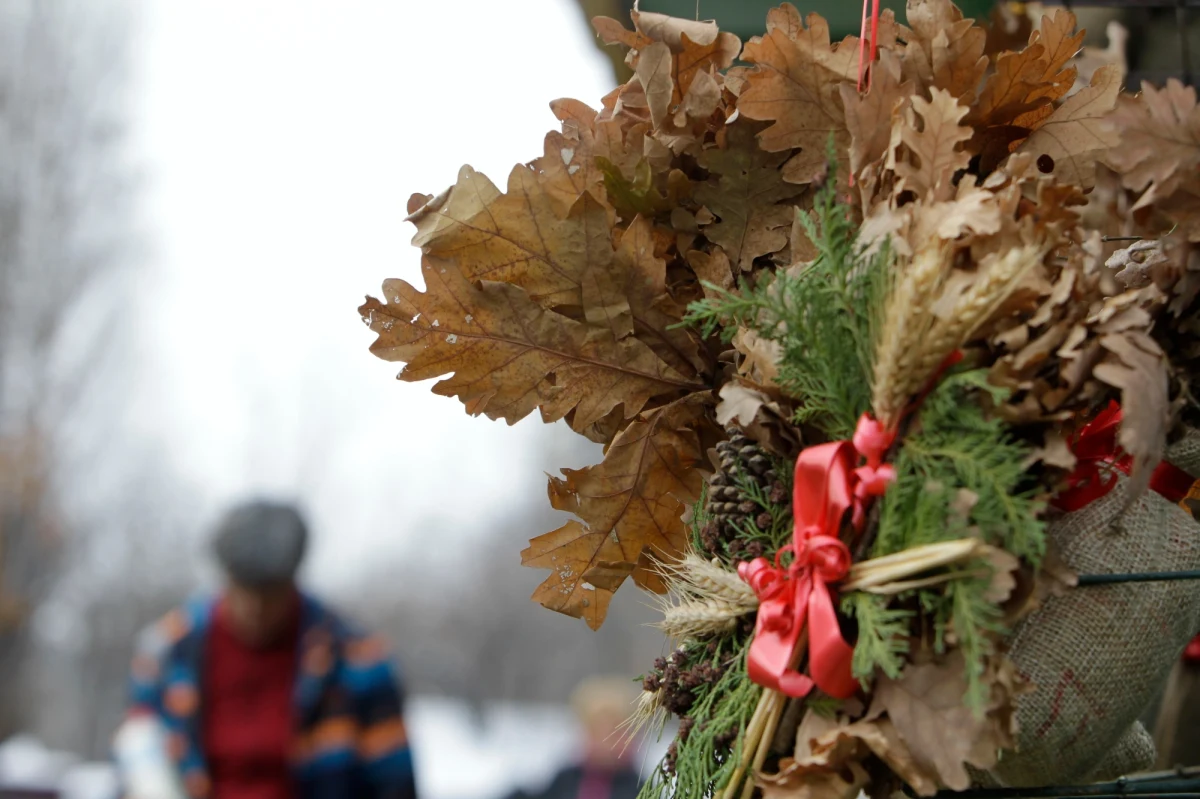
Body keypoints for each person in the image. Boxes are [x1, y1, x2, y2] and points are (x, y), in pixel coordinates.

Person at [117, 499, 417, 799]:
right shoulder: (168, 653)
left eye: (271, 592)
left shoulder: (356, 659)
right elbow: (137, 764)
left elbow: (395, 782)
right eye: (244, 589)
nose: (256, 607)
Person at [506, 678, 641, 799]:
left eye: (613, 732)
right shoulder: (566, 781)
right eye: (595, 730)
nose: (604, 742)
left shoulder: (638, 787)